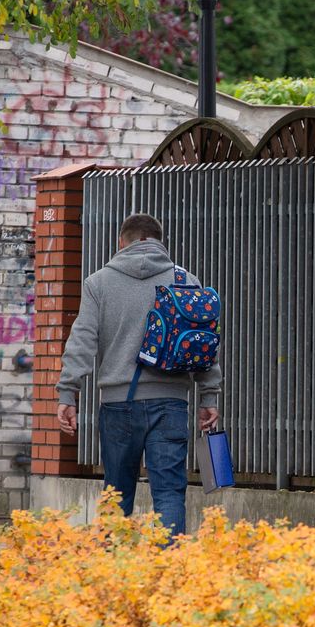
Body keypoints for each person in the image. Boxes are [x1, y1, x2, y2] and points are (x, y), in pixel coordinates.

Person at [56, 213, 221, 535]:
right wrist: (209, 396)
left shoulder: (98, 282)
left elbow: (82, 339)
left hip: (119, 405)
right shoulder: (186, 280)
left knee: (116, 493)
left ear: (122, 241)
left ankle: (116, 570)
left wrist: (68, 392)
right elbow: (206, 342)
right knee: (170, 492)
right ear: (160, 241)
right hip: (171, 403)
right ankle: (168, 570)